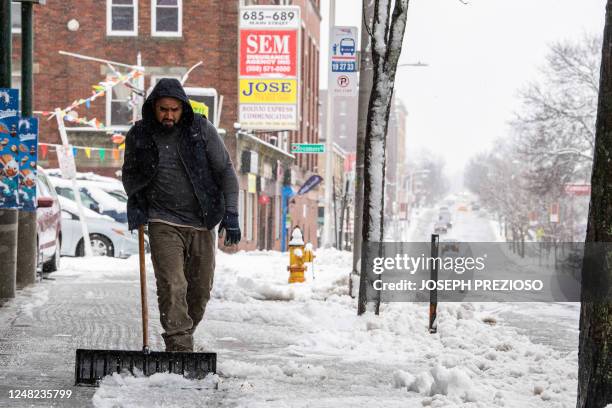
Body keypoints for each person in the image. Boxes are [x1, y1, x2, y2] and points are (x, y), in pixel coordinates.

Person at [122, 78, 241, 352]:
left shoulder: (200, 129)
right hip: (162, 221)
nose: (168, 116)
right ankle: (180, 347)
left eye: (174, 110)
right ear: (153, 107)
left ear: (183, 109)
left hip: (202, 219)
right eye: (163, 109)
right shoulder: (140, 134)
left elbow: (225, 171)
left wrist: (231, 213)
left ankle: (182, 332)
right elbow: (130, 173)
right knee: (172, 284)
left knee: (199, 291)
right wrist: (138, 201)